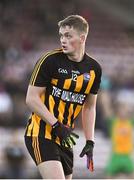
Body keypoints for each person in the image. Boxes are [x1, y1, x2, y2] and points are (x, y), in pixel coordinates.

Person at [24, 15, 102, 179]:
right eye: (61, 35)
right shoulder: (50, 60)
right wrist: (56, 125)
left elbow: (89, 106)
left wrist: (90, 141)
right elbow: (31, 99)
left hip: (65, 139)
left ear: (82, 38)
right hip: (41, 133)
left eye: (68, 36)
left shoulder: (94, 69)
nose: (63, 40)